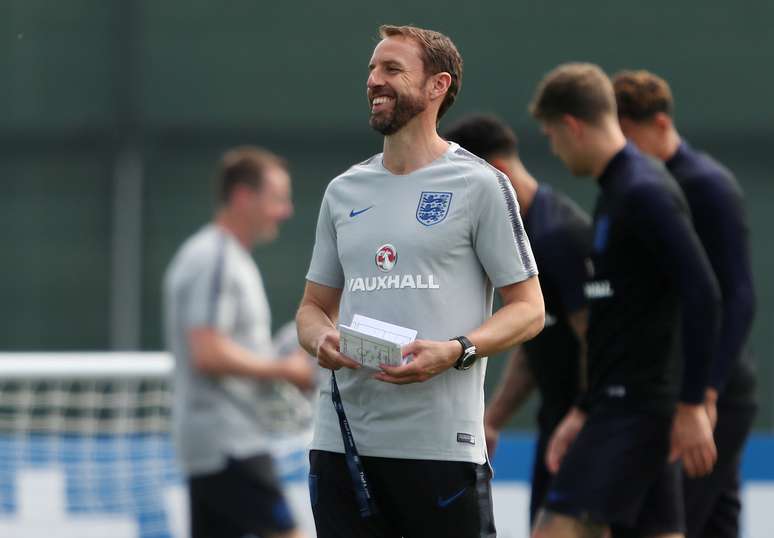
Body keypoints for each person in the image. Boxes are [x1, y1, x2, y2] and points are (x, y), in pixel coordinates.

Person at [296, 24, 545, 538]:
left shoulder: (480, 185)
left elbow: (529, 309)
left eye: (392, 69)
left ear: (438, 86)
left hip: (440, 448)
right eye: (371, 69)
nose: (373, 81)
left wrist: (456, 351)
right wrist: (320, 338)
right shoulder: (344, 190)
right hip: (342, 444)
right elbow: (312, 307)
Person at [528, 63, 722, 538]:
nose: (554, 148)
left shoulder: (644, 190)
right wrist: (584, 407)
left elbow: (704, 292)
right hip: (622, 405)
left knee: (557, 529)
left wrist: (694, 404)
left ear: (571, 126)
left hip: (635, 409)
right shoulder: (616, 190)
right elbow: (618, 318)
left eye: (552, 136)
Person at [613, 70, 757, 538]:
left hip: (713, 393)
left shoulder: (705, 185)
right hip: (687, 387)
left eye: (630, 138)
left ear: (658, 123)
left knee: (674, 524)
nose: (625, 151)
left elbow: (738, 296)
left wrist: (706, 395)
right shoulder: (642, 187)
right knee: (716, 521)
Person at [443, 114, 592, 527]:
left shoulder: (558, 235)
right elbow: (535, 339)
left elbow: (596, 338)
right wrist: (494, 418)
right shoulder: (518, 234)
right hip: (558, 423)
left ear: (499, 173)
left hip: (585, 431)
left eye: (465, 183)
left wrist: (584, 416)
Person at [163, 146, 314, 538]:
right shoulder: (214, 257)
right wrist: (286, 368)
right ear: (244, 197)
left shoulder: (227, 257)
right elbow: (208, 351)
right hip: (229, 442)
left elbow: (226, 347)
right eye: (278, 199)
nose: (286, 211)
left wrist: (286, 351)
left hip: (220, 440)